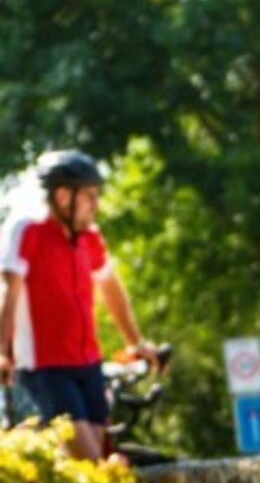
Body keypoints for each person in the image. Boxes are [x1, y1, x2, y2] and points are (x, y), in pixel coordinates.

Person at [0, 150, 158, 461]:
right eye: (90, 196)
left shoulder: (90, 239)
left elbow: (112, 290)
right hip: (46, 366)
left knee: (93, 462)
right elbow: (9, 289)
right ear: (62, 196)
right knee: (92, 464)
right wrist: (3, 352)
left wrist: (136, 344)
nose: (96, 204)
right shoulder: (28, 229)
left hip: (87, 363)